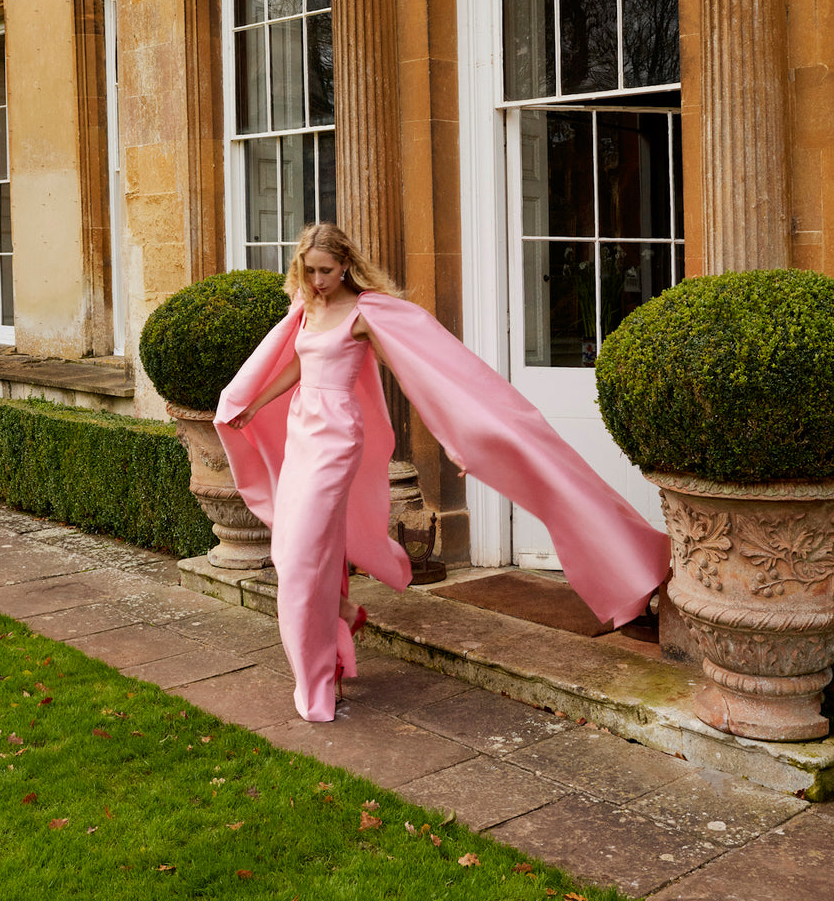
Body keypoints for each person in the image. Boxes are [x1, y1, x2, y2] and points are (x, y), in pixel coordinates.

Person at [215, 223, 671, 724]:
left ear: (346, 265)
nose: (318, 280)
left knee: (302, 555)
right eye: (310, 270)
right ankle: (342, 621)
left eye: (326, 271)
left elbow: (420, 376)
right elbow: (296, 368)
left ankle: (318, 681)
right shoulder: (305, 309)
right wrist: (254, 405)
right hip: (303, 433)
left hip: (337, 441)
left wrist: (458, 438)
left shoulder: (367, 313)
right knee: (299, 550)